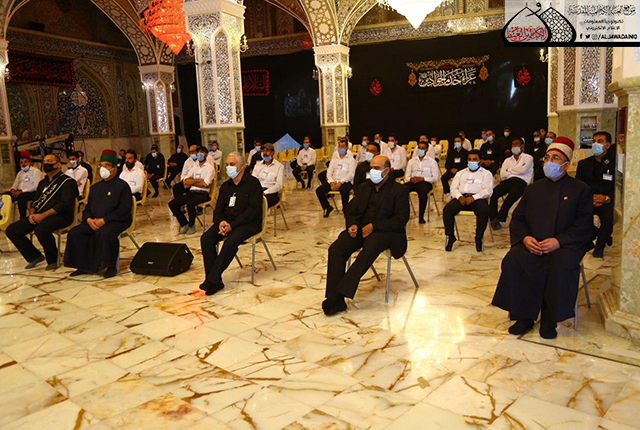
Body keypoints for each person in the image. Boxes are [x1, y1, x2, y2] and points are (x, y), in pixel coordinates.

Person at [492, 137, 593, 339]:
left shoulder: (581, 190)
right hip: (534, 241)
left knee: (558, 266)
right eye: (547, 157)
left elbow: (583, 226)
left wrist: (558, 241)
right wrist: (525, 238)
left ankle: (549, 319)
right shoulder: (533, 188)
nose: (549, 162)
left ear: (567, 165)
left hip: (565, 244)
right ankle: (524, 316)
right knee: (514, 259)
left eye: (555, 158)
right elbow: (518, 219)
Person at [321, 155, 410, 316]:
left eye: (376, 168)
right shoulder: (364, 187)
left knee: (371, 246)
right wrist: (353, 224)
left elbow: (400, 220)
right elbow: (351, 211)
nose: (372, 171)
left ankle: (337, 294)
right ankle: (337, 301)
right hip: (361, 229)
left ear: (387, 171)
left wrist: (374, 226)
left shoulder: (399, 191)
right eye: (371, 168)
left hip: (386, 233)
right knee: (336, 248)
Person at [199, 152, 263, 295]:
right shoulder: (225, 186)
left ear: (241, 166)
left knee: (231, 241)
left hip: (248, 223)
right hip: (227, 221)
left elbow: (253, 211)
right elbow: (218, 209)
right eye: (227, 165)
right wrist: (221, 222)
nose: (229, 167)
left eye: (232, 164)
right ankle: (215, 281)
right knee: (206, 238)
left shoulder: (253, 184)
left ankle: (211, 281)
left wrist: (232, 226)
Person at [64, 150, 132, 278]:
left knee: (105, 233)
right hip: (94, 221)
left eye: (107, 165)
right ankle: (82, 265)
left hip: (116, 221)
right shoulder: (95, 188)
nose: (103, 168)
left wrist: (104, 220)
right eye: (101, 165)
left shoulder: (122, 186)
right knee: (75, 232)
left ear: (114, 169)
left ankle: (109, 265)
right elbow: (88, 208)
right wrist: (89, 220)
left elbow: (123, 210)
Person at [6, 154, 78, 270]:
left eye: (49, 161)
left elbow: (64, 204)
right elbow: (35, 201)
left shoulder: (67, 182)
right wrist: (32, 214)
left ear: (58, 164)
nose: (46, 164)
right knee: (12, 230)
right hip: (39, 215)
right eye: (44, 161)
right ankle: (34, 256)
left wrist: (43, 215)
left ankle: (53, 259)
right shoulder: (43, 182)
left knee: (41, 229)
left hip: (61, 216)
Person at [443, 149, 494, 252]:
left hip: (477, 198)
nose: (471, 161)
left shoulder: (486, 174)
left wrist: (474, 197)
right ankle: (451, 236)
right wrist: (459, 197)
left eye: (474, 159)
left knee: (484, 210)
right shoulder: (460, 173)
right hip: (461, 197)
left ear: (480, 161)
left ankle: (479, 237)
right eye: (469, 159)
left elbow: (488, 190)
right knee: (447, 210)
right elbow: (453, 188)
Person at [576, 131, 615, 258]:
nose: (595, 144)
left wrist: (607, 198)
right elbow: (578, 186)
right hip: (588, 200)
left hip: (606, 201)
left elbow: (618, 187)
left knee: (608, 218)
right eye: (594, 141)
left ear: (607, 145)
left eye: (600, 141)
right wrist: (588, 199)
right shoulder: (584, 164)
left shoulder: (614, 164)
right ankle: (597, 234)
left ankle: (599, 247)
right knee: (573, 215)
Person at [168, 146, 215, 235]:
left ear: (206, 154)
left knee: (190, 203)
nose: (199, 154)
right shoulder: (194, 167)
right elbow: (185, 181)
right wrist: (198, 181)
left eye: (202, 152)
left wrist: (192, 182)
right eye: (198, 152)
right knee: (172, 204)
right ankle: (184, 223)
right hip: (192, 192)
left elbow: (205, 184)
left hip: (203, 193)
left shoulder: (210, 168)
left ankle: (191, 225)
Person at [490, 138, 534, 231]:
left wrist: (509, 170)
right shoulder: (507, 160)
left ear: (522, 146)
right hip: (508, 180)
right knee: (494, 193)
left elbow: (524, 170)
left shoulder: (528, 158)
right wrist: (516, 170)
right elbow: (503, 174)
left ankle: (499, 218)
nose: (514, 146)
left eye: (516, 144)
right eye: (513, 144)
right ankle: (493, 217)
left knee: (509, 198)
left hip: (521, 182)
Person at [316, 139, 356, 218]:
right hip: (333, 181)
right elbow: (329, 172)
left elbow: (351, 174)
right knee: (319, 190)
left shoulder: (351, 160)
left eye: (343, 147)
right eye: (339, 147)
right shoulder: (334, 159)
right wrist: (331, 182)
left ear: (347, 148)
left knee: (344, 190)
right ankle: (327, 207)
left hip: (345, 182)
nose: (341, 148)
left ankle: (345, 209)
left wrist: (340, 182)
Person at [405, 141, 440, 224]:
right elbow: (406, 176)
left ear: (427, 149)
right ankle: (404, 214)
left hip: (425, 182)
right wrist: (410, 179)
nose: (420, 150)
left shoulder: (432, 162)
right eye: (419, 148)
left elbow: (435, 177)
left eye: (423, 148)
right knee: (402, 189)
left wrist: (423, 178)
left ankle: (421, 217)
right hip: (413, 181)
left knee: (422, 192)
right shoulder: (411, 161)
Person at [9, 152, 43, 219]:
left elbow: (36, 186)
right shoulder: (20, 173)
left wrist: (21, 191)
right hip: (20, 192)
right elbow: (15, 184)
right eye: (21, 162)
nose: (23, 164)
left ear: (30, 163)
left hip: (32, 192)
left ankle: (22, 218)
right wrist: (13, 189)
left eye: (25, 162)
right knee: (5, 196)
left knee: (21, 196)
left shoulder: (36, 171)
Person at [252, 143, 284, 208]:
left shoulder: (279, 167)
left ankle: (261, 214)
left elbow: (279, 185)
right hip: (259, 190)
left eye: (267, 151)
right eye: (263, 150)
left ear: (273, 153)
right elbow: (253, 181)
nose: (265, 153)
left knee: (261, 202)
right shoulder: (257, 165)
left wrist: (265, 192)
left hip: (271, 192)